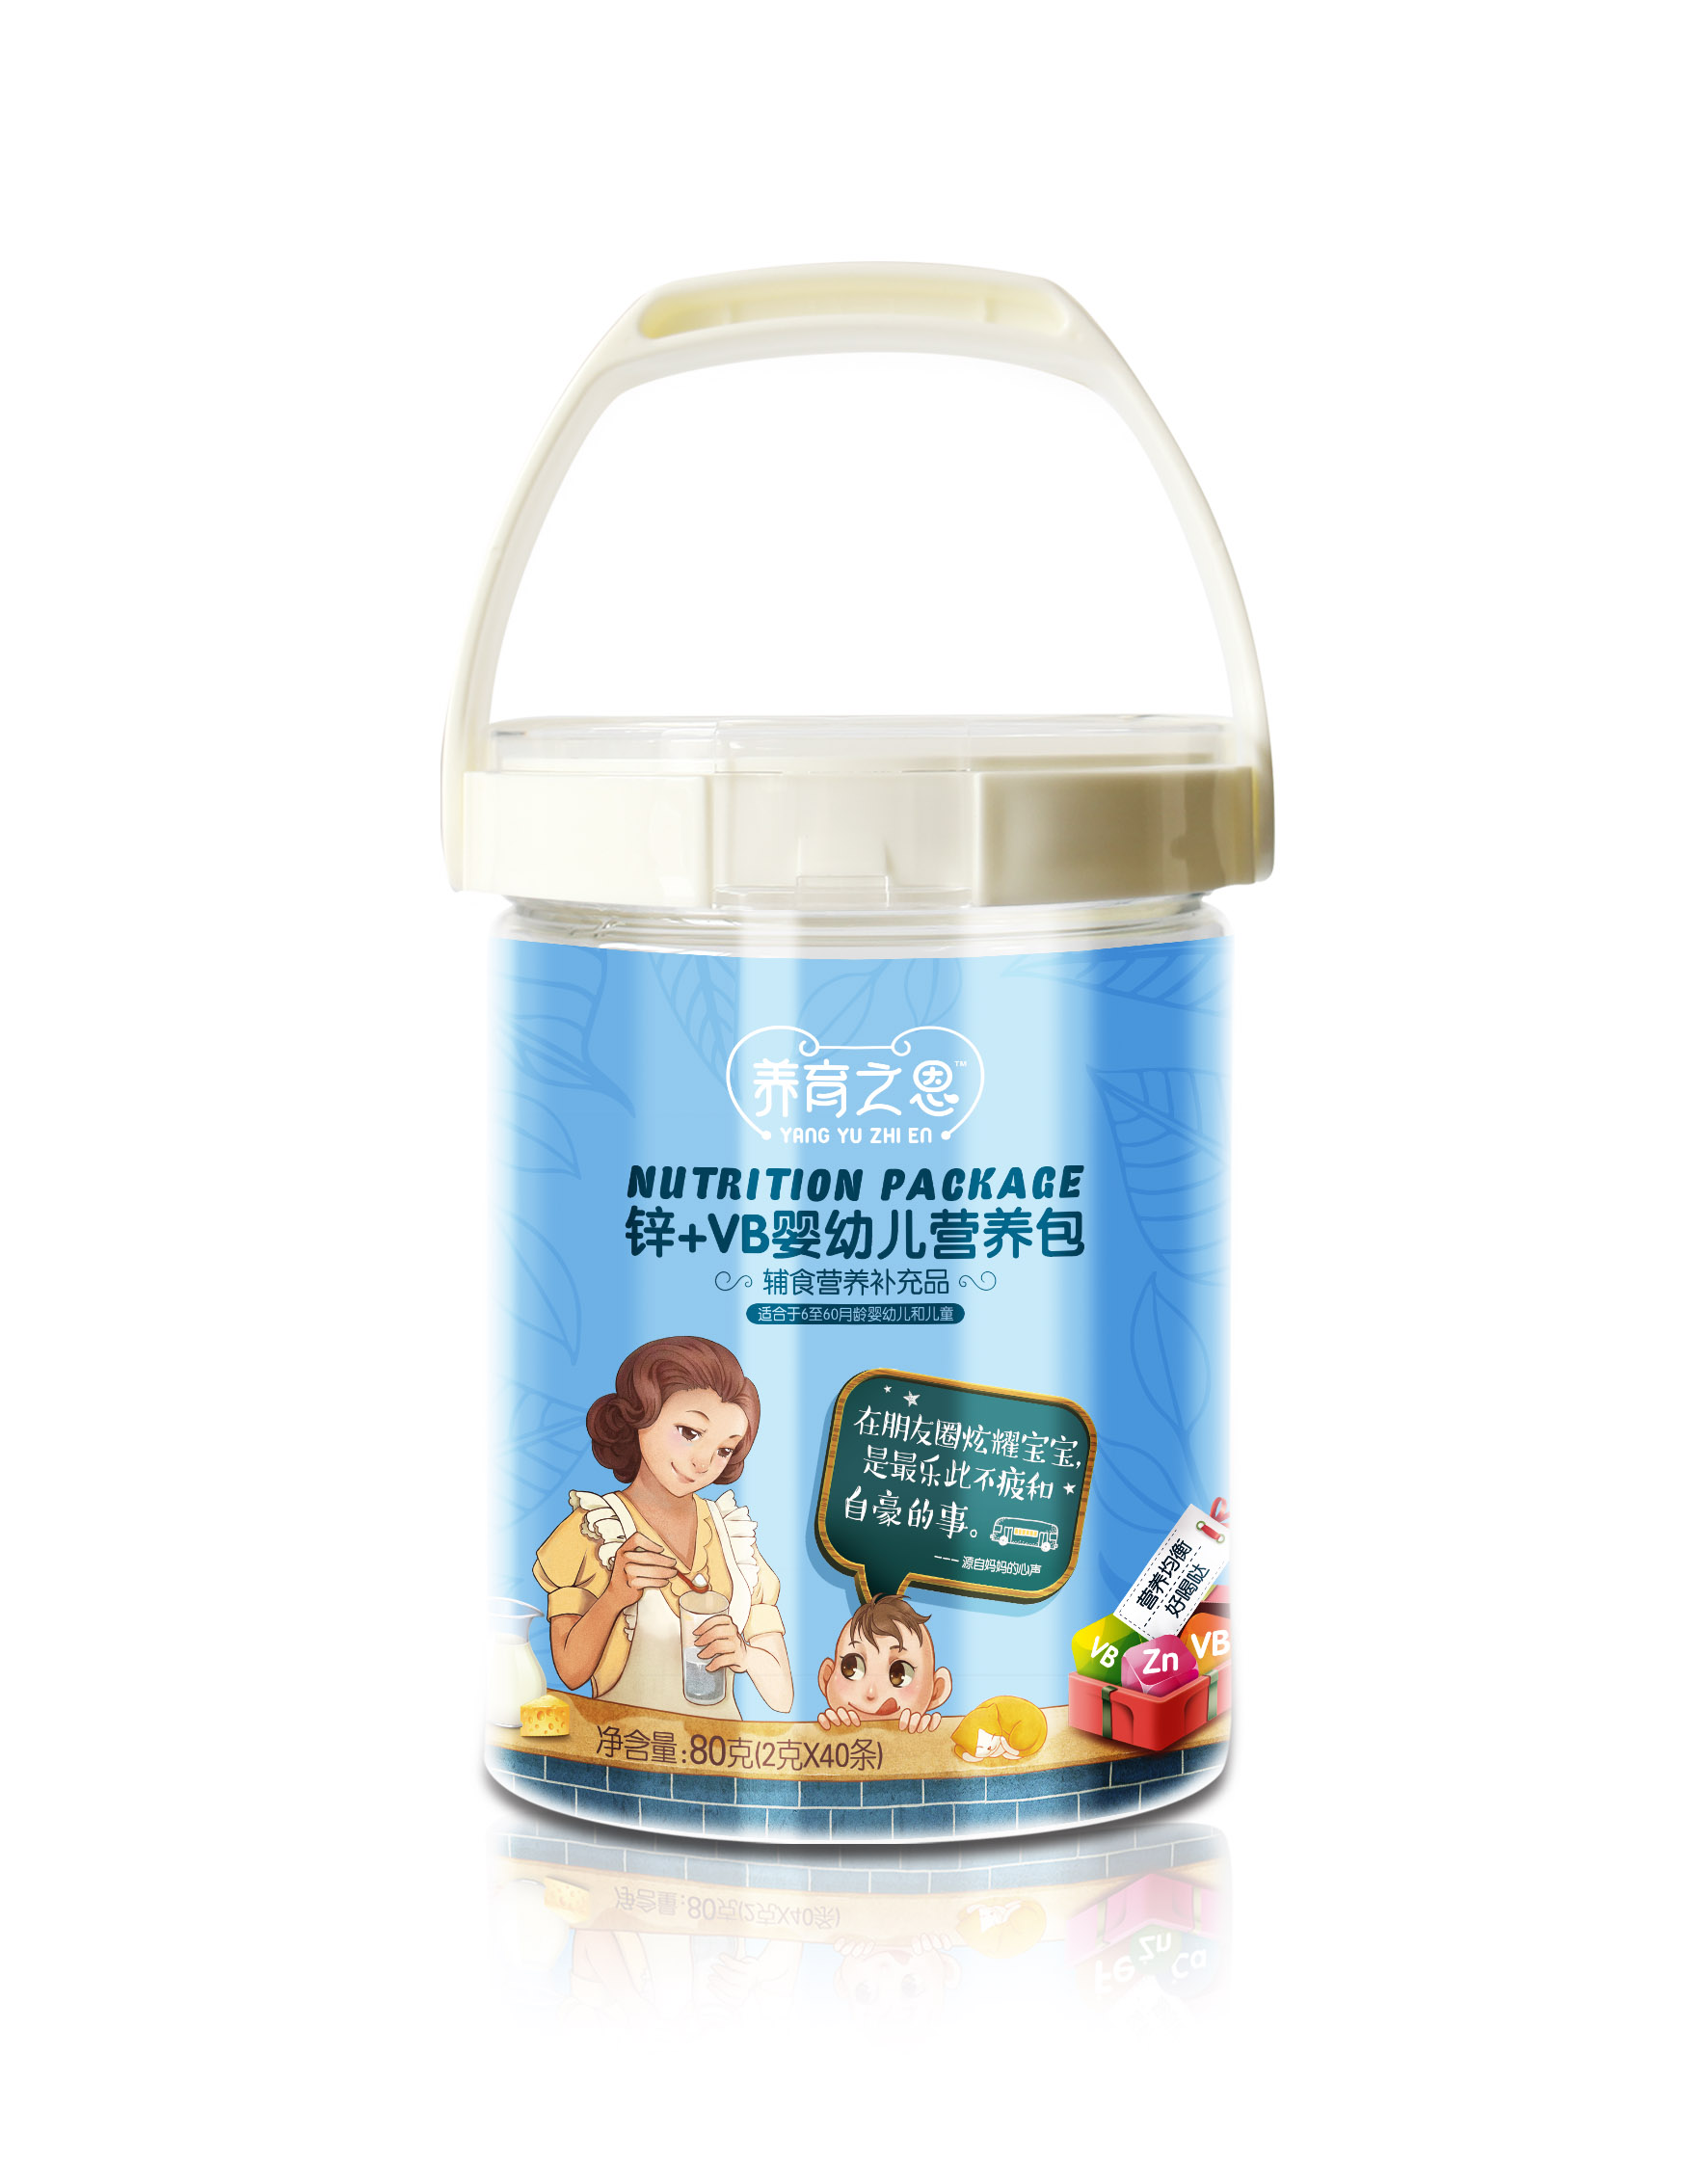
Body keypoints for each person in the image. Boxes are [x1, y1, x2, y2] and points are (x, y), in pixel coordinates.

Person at [532, 1337, 792, 1717]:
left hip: (723, 1749)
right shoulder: (594, 1528)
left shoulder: (733, 1537)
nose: (703, 1462)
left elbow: (782, 1697)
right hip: (629, 1746)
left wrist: (745, 1654)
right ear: (640, 1415)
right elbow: (571, 1673)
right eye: (689, 1433)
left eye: (724, 1449)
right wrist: (615, 1596)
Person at [816, 1594, 951, 1731]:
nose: (871, 1693)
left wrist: (929, 1736)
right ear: (827, 1677)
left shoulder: (932, 1734)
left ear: (937, 1691)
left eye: (899, 1674)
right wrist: (828, 1734)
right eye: (852, 1668)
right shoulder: (822, 1732)